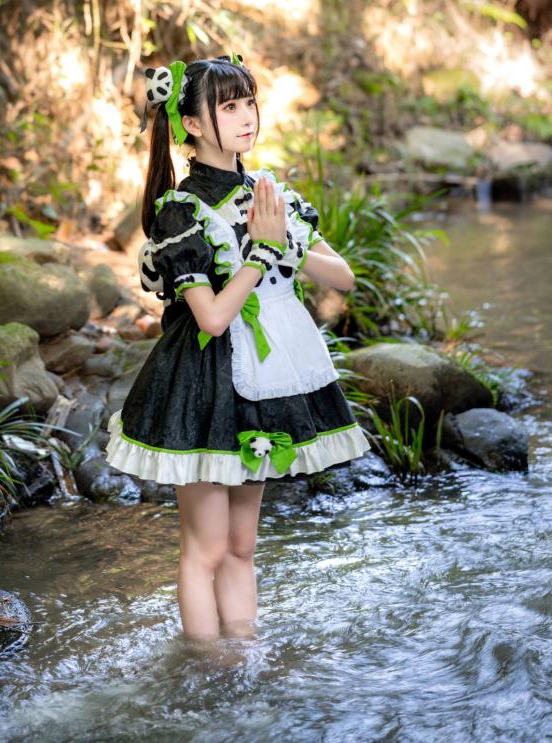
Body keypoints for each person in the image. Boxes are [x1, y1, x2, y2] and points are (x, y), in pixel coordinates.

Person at [104, 53, 370, 644]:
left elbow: (344, 276)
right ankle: (205, 668)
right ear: (192, 125)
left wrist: (286, 245)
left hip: (265, 387)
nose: (247, 115)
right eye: (229, 106)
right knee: (206, 546)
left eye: (249, 101)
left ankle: (243, 657)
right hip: (199, 388)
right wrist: (259, 254)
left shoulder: (270, 192)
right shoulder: (181, 212)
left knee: (243, 545)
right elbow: (214, 318)